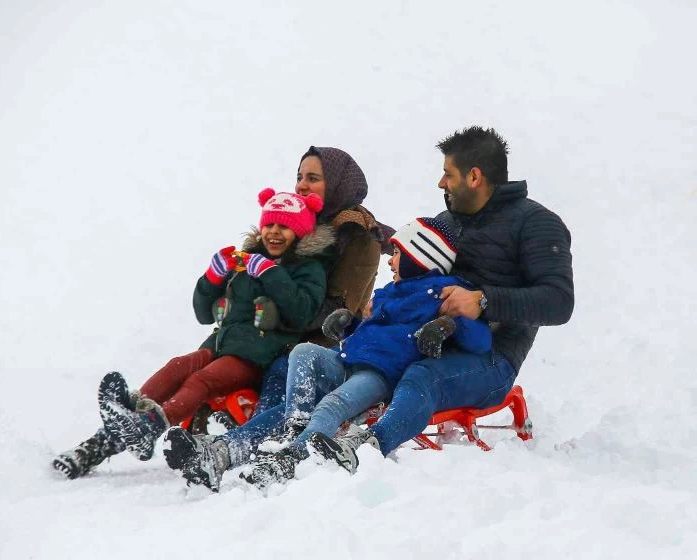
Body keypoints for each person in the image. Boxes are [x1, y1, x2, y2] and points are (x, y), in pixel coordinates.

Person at [308, 126, 575, 474]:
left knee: (422, 376)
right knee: (328, 361)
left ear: (474, 176)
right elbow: (413, 266)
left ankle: (365, 448)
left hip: (492, 357)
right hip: (420, 342)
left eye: (448, 174)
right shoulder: (448, 222)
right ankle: (274, 441)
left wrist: (482, 301)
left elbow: (559, 302)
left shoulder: (538, 225)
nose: (441, 183)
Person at [52, 188, 332, 478]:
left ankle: (151, 425)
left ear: (299, 231)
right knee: (177, 366)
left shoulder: (308, 268)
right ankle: (109, 434)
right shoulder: (247, 260)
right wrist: (211, 279)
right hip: (220, 344)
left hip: (257, 355)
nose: (274, 232)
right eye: (269, 224)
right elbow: (202, 313)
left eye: (284, 226)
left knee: (202, 380)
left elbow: (302, 312)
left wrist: (270, 273)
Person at [237, 217, 494, 488]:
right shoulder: (390, 293)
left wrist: (448, 325)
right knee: (303, 352)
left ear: (420, 258)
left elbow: (481, 340)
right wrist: (350, 324)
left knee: (331, 405)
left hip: (380, 374)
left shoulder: (446, 294)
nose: (390, 261)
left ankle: (293, 459)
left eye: (397, 253)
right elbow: (375, 333)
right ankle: (296, 428)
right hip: (349, 360)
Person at [248, 146, 392, 415]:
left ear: (338, 184)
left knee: (280, 366)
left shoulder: (357, 236)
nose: (301, 186)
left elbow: (339, 310)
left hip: (324, 343)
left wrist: (277, 319)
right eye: (299, 177)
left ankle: (257, 437)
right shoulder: (292, 222)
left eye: (313, 178)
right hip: (283, 331)